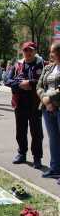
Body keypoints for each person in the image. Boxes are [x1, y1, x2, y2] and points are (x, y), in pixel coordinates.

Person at [5, 41, 44, 169]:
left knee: (36, 132)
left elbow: (43, 82)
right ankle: (22, 153)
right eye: (25, 50)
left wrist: (30, 83)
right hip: (20, 102)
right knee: (20, 130)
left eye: (30, 50)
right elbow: (7, 80)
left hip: (35, 103)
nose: (28, 53)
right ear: (23, 51)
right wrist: (20, 84)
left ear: (35, 51)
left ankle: (37, 158)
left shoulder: (41, 64)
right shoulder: (18, 65)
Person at [37, 43, 60, 178]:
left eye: (53, 52)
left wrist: (48, 98)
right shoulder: (48, 68)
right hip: (47, 108)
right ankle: (55, 168)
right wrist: (45, 98)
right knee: (53, 139)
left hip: (57, 106)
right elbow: (39, 86)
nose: (50, 54)